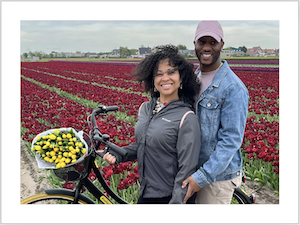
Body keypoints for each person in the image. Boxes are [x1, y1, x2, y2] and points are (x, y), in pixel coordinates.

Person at [100, 44, 201, 204]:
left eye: (171, 72)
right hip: (146, 192)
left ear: (181, 77)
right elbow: (143, 145)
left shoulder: (186, 117)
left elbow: (187, 169)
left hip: (169, 197)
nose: (165, 78)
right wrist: (120, 154)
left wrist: (176, 203)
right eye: (158, 74)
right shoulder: (145, 109)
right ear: (152, 79)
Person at [182, 20, 249, 204]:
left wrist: (202, 176)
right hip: (192, 168)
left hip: (216, 177)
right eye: (202, 41)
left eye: (213, 42)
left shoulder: (233, 88)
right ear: (194, 44)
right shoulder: (193, 79)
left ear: (222, 45)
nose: (207, 47)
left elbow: (231, 140)